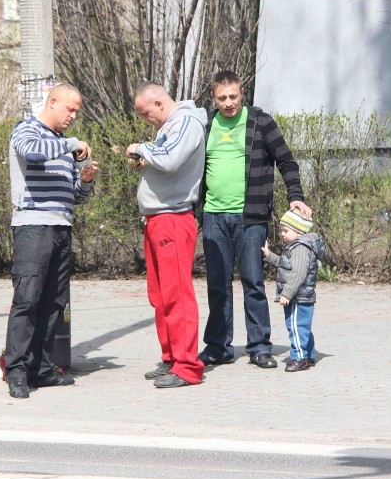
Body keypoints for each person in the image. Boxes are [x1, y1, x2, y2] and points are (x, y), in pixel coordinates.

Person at [197, 70, 311, 370]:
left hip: (251, 218)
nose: (228, 103)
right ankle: (218, 347)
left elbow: (287, 161)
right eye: (222, 98)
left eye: (233, 96)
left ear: (242, 92)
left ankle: (260, 347)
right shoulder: (206, 124)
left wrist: (295, 195)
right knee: (217, 285)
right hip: (213, 217)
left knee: (253, 282)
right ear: (213, 97)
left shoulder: (261, 122)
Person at [4, 83, 99, 399]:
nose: (73, 115)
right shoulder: (26, 129)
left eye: (76, 111)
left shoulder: (63, 145)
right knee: (28, 299)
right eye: (70, 109)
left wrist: (85, 181)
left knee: (54, 303)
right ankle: (16, 370)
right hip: (33, 227)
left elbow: (75, 196)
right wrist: (72, 144)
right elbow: (31, 152)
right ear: (53, 101)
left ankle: (41, 369)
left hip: (61, 228)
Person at [126, 82, 207, 389]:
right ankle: (172, 357)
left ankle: (187, 366)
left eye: (146, 113)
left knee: (177, 294)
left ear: (159, 102)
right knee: (160, 294)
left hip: (172, 217)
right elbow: (165, 157)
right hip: (157, 218)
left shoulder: (186, 122)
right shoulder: (170, 127)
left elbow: (171, 160)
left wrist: (140, 148)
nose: (147, 119)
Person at [261, 209, 325, 372]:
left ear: (298, 232)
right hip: (302, 297)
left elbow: (298, 273)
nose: (282, 234)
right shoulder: (297, 247)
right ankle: (308, 355)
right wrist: (269, 255)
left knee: (296, 327)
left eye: (285, 230)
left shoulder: (300, 249)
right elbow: (285, 266)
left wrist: (287, 293)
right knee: (302, 327)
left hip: (298, 298)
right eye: (281, 230)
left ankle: (299, 358)